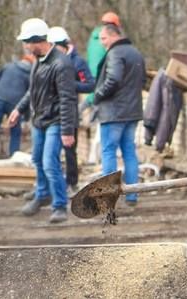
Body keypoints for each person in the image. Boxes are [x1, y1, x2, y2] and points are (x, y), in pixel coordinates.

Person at [9, 18, 78, 223]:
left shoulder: (61, 63)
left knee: (50, 163)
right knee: (38, 160)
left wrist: (67, 131)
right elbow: (33, 90)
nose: (26, 47)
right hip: (39, 120)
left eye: (27, 43)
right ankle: (42, 195)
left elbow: (68, 99)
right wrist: (18, 109)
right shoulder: (38, 61)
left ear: (37, 41)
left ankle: (60, 206)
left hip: (56, 121)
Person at [94, 24, 145, 206]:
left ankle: (108, 197)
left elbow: (113, 80)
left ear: (113, 36)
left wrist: (98, 95)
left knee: (108, 152)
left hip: (113, 113)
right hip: (132, 112)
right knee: (129, 153)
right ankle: (132, 196)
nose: (101, 43)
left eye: (103, 38)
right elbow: (143, 80)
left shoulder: (115, 53)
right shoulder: (135, 52)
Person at [48, 26, 95, 194]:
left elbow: (90, 84)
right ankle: (51, 185)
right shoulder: (49, 61)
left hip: (70, 111)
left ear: (63, 45)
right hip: (51, 113)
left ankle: (71, 183)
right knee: (50, 152)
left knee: (69, 152)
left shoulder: (77, 62)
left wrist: (69, 85)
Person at [0, 54, 35, 160]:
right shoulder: (31, 75)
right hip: (15, 105)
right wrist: (26, 117)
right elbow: (29, 96)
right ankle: (13, 159)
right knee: (15, 133)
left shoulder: (8, 66)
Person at [85, 12, 121, 165]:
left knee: (99, 123)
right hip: (102, 88)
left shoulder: (94, 38)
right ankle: (97, 158)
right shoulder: (106, 42)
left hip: (93, 85)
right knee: (104, 126)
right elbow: (112, 74)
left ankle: (93, 156)